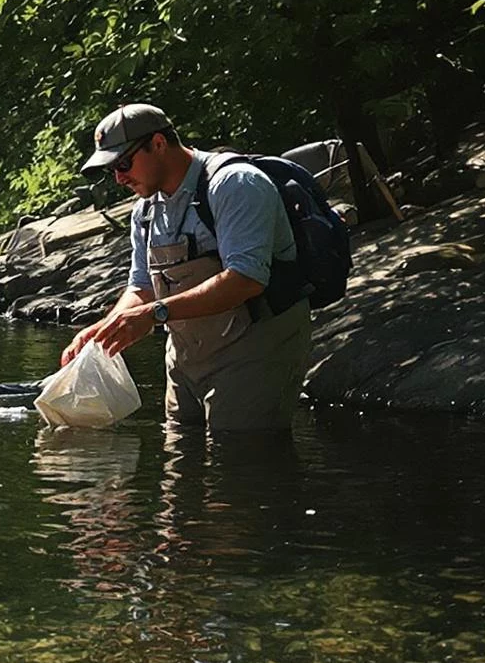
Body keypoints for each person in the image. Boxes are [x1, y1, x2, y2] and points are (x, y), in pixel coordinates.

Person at [62, 103, 313, 432]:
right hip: (185, 360)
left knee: (239, 456)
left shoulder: (235, 184)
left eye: (123, 164)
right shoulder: (144, 211)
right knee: (179, 454)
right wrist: (103, 330)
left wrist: (154, 314)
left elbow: (247, 278)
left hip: (255, 351)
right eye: (112, 170)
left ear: (158, 144)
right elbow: (142, 287)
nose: (119, 178)